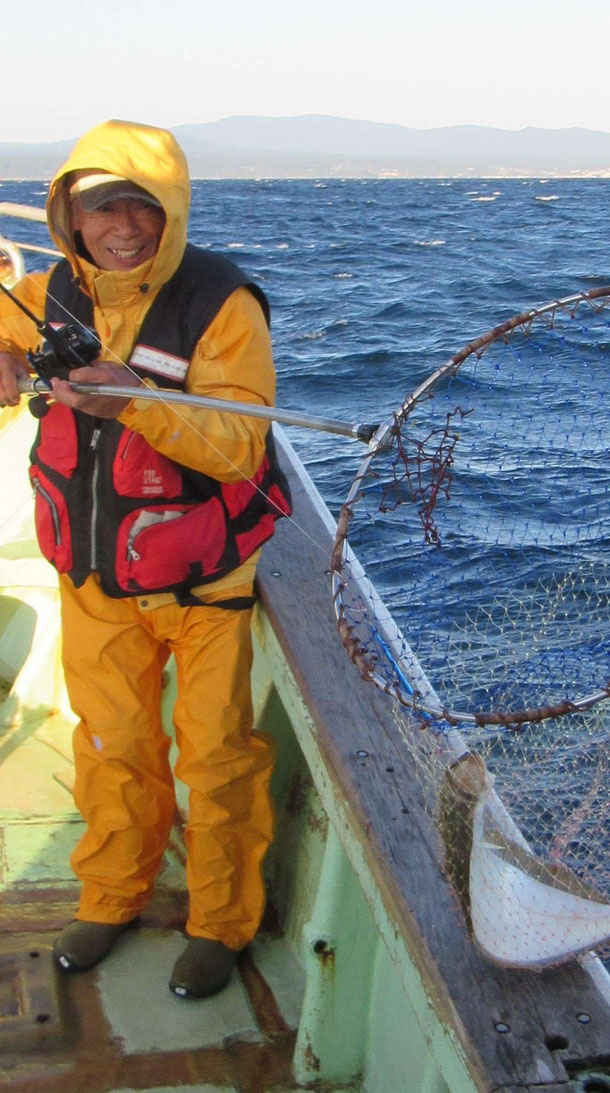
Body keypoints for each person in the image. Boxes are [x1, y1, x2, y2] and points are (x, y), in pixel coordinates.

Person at [0, 119, 290, 998]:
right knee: (112, 745)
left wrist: (135, 402)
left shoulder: (222, 303)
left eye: (141, 205)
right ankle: (111, 895)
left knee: (216, 757)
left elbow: (241, 442)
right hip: (93, 576)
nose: (122, 225)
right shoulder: (46, 289)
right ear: (68, 216)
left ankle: (220, 922)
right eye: (100, 207)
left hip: (204, 583)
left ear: (171, 212)